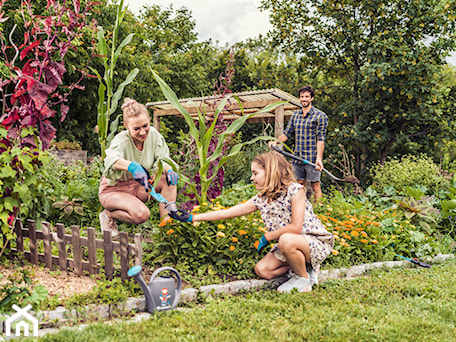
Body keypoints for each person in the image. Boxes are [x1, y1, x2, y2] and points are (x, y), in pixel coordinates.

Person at [169, 151, 334, 293]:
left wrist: (267, 237)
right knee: (263, 270)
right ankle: (306, 267)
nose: (252, 178)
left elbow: (296, 228)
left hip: (312, 241)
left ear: (270, 172)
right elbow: (228, 212)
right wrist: (193, 217)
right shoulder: (261, 199)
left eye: (255, 173)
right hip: (290, 244)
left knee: (285, 239)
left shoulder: (295, 190)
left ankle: (303, 278)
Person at [98, 97, 179, 237]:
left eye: (145, 126)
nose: (142, 132)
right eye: (136, 128)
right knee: (141, 215)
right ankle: (108, 214)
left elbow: (163, 159)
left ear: (149, 121)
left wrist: (170, 169)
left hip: (138, 186)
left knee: (168, 180)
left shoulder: (154, 136)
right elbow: (110, 160)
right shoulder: (121, 140)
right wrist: (132, 166)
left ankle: (167, 229)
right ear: (126, 126)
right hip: (114, 190)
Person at [268, 85, 328, 201]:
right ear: (299, 98)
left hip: (311, 157)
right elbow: (286, 133)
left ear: (312, 98)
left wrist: (319, 159)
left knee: (315, 185)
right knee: (298, 185)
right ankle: (301, 209)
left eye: (306, 97)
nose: (304, 99)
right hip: (297, 157)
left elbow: (321, 139)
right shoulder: (295, 115)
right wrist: (275, 142)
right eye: (302, 97)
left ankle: (321, 211)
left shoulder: (320, 116)